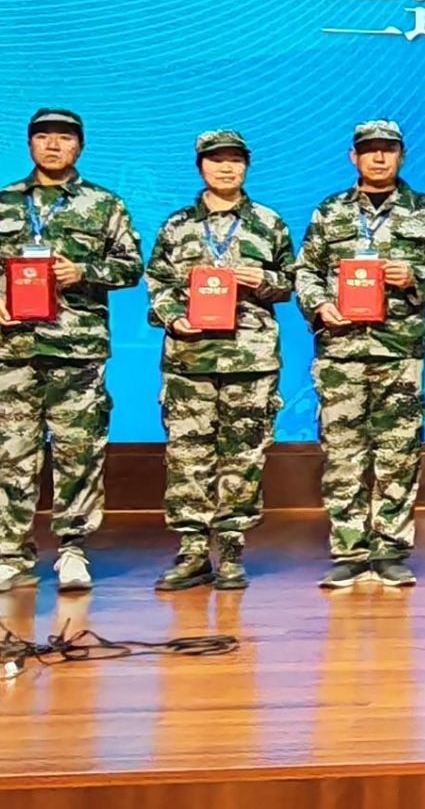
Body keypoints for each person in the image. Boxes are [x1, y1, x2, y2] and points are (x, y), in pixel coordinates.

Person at [0, 108, 142, 594]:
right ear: (29, 144)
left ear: (79, 146)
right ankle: (12, 556)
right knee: (13, 453)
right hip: (14, 349)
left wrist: (84, 272)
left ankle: (73, 550)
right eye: (43, 137)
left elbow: (131, 267)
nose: (53, 145)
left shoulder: (103, 205)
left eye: (64, 138)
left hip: (77, 350)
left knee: (79, 453)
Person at [293, 119, 425, 589]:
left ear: (401, 156)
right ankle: (350, 550)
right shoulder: (330, 211)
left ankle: (390, 550)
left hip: (399, 350)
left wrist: (414, 276)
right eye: (370, 150)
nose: (379, 158)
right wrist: (320, 305)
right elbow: (305, 270)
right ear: (353, 157)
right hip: (340, 351)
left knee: (398, 453)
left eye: (388, 150)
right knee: (343, 453)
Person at [144, 130, 295, 591]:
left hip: (250, 359)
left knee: (243, 456)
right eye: (216, 161)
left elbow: (292, 282)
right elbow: (156, 282)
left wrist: (263, 279)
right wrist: (173, 316)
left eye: (235, 160)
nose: (226, 168)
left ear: (246, 166)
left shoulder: (268, 222)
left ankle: (230, 551)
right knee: (187, 456)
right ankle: (192, 551)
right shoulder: (176, 226)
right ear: (200, 167)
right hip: (189, 358)